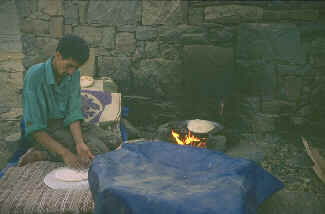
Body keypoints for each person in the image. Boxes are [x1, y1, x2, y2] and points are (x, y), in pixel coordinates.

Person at [18, 35, 109, 169]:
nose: (71, 72)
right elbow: (35, 128)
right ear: (58, 55)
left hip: (66, 125)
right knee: (98, 152)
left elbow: (73, 113)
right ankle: (42, 154)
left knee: (112, 141)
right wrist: (65, 153)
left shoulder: (73, 74)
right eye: (69, 66)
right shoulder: (35, 76)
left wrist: (79, 143)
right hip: (45, 130)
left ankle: (47, 154)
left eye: (75, 68)